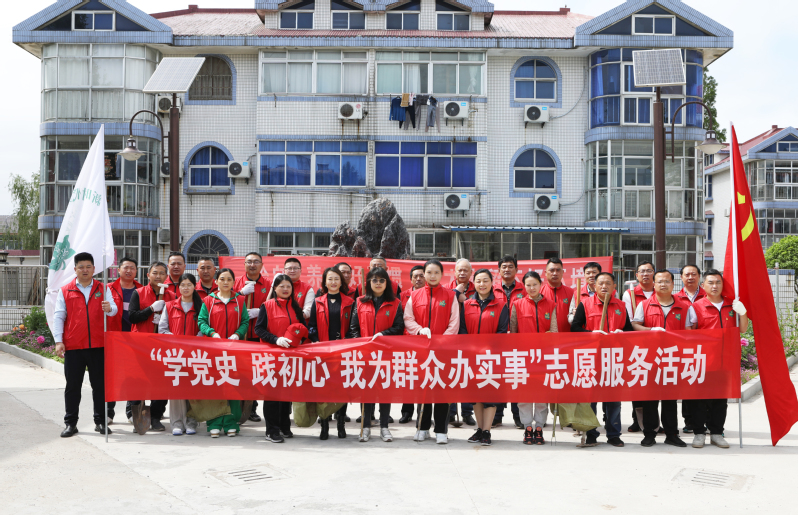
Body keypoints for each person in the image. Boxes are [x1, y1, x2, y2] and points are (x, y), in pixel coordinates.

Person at [53, 252, 118, 437]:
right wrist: (59, 341)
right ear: (75, 269)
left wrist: (109, 308)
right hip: (74, 346)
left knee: (100, 386)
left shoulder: (102, 288)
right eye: (81, 267)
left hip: (98, 345)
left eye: (88, 267)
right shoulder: (66, 290)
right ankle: (71, 423)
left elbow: (113, 309)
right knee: (73, 386)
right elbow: (59, 316)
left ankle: (101, 421)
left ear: (94, 269)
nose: (85, 270)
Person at [632, 269, 696, 448]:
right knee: (650, 399)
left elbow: (688, 332)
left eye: (667, 281)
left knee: (670, 399)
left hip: (673, 359)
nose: (663, 284)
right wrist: (650, 330)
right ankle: (649, 433)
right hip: (650, 358)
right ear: (654, 284)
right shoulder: (644, 305)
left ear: (673, 284)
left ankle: (672, 434)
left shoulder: (684, 306)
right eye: (659, 281)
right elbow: (635, 324)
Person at [570, 272, 633, 447]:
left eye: (608, 283)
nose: (604, 286)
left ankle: (613, 434)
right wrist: (591, 334)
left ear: (614, 287)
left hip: (614, 358)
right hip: (591, 358)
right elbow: (575, 328)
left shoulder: (621, 305)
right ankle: (591, 433)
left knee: (613, 399)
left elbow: (628, 329)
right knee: (591, 398)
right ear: (594, 286)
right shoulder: (585, 304)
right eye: (600, 283)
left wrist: (622, 333)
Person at [688, 269, 748, 449]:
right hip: (704, 360)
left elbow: (743, 329)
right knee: (700, 399)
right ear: (703, 285)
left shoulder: (732, 305)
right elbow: (689, 333)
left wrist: (743, 313)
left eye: (718, 282)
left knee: (721, 400)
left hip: (726, 359)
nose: (714, 286)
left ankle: (716, 433)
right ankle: (699, 433)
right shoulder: (696, 307)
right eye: (711, 282)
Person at [404, 259, 460, 444]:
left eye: (436, 272)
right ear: (424, 274)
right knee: (423, 389)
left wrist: (442, 341)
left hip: (443, 351)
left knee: (442, 390)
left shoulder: (450, 295)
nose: (432, 276)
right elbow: (408, 319)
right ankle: (422, 427)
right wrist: (420, 330)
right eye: (429, 272)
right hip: (421, 350)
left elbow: (454, 322)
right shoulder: (415, 295)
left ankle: (441, 430)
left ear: (442, 274)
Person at [347, 267, 405, 442]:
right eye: (374, 280)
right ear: (368, 283)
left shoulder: (395, 303)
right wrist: (362, 344)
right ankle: (365, 427)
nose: (378, 283)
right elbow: (353, 327)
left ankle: (384, 427)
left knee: (384, 391)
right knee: (366, 392)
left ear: (387, 283)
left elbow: (399, 328)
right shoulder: (360, 302)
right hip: (365, 355)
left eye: (381, 280)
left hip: (386, 355)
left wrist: (383, 335)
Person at [254, 274, 307, 443]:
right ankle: (271, 430)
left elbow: (302, 328)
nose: (285, 289)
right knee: (272, 395)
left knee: (286, 394)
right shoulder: (267, 306)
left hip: (290, 359)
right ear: (275, 288)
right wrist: (275, 339)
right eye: (281, 286)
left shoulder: (295, 307)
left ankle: (284, 426)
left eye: (288, 286)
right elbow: (258, 329)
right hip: (272, 357)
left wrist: (301, 339)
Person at [197, 268, 249, 438]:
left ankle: (231, 423)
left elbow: (245, 321)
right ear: (216, 281)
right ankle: (214, 422)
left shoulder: (240, 301)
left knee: (233, 385)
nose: (225, 282)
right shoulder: (208, 301)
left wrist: (238, 334)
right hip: (213, 350)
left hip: (234, 350)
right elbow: (201, 321)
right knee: (215, 386)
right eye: (222, 279)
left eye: (229, 279)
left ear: (234, 282)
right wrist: (212, 333)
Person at [460, 268, 509, 446]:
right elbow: (462, 330)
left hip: (492, 357)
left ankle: (487, 431)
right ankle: (480, 429)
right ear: (474, 283)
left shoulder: (501, 305)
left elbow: (502, 332)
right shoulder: (466, 305)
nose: (482, 284)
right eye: (479, 281)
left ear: (492, 282)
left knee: (489, 395)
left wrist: (488, 349)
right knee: (476, 395)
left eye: (485, 280)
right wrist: (472, 349)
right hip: (472, 357)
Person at [128, 261, 176, 431]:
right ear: (148, 275)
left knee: (161, 381)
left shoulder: (172, 296)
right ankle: (137, 416)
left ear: (167, 276)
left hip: (162, 346)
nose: (158, 276)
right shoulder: (138, 293)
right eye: (155, 273)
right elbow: (132, 317)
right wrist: (150, 310)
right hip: (141, 345)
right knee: (139, 381)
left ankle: (156, 417)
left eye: (162, 273)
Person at [308, 267, 355, 439]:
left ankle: (341, 423)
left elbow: (353, 327)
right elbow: (311, 326)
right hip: (323, 353)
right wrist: (315, 341)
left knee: (342, 389)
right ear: (325, 282)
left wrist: (346, 342)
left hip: (342, 352)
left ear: (341, 282)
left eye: (336, 279)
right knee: (323, 389)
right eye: (330, 279)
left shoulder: (350, 302)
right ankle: (325, 424)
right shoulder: (318, 301)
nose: (333, 282)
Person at [511, 271, 555, 446]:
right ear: (524, 286)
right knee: (525, 395)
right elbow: (513, 331)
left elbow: (554, 330)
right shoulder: (517, 304)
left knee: (542, 395)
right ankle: (527, 427)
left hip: (544, 357)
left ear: (541, 284)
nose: (531, 288)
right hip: (523, 357)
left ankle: (540, 428)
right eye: (528, 285)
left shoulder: (551, 304)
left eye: (534, 284)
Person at [158, 273, 203, 436]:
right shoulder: (170, 306)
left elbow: (203, 328)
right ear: (178, 287)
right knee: (176, 389)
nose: (185, 288)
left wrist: (193, 342)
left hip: (194, 354)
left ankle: (191, 422)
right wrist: (176, 340)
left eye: (189, 285)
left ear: (194, 287)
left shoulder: (201, 306)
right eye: (182, 285)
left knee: (192, 388)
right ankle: (176, 422)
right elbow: (162, 329)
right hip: (174, 354)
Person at [234, 252, 270, 423]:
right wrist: (240, 294)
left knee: (255, 373)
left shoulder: (268, 285)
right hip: (239, 335)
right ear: (244, 264)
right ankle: (237, 407)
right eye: (249, 262)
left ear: (262, 265)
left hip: (258, 336)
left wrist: (259, 311)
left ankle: (252, 408)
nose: (252, 265)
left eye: (256, 262)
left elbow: (273, 304)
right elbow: (225, 301)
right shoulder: (235, 283)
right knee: (238, 372)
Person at [106, 256, 141, 425]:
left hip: (136, 340)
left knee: (135, 377)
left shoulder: (142, 290)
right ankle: (108, 412)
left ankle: (132, 412)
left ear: (136, 271)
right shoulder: (108, 289)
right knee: (112, 377)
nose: (129, 270)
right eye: (125, 267)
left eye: (132, 268)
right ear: (118, 270)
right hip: (114, 338)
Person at [621, 260, 655, 433]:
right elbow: (629, 319)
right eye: (642, 271)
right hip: (638, 344)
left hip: (658, 344)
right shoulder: (630, 294)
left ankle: (655, 421)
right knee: (638, 380)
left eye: (649, 270)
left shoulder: (661, 291)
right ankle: (637, 419)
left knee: (656, 382)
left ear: (654, 273)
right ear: (636, 275)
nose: (645, 274)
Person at [492, 255, 524, 428]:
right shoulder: (493, 289)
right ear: (499, 270)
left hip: (518, 342)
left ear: (516, 270)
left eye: (510, 266)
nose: (507, 269)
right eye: (503, 267)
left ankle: (518, 416)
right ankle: (497, 415)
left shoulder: (524, 289)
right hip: (498, 340)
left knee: (515, 378)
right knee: (498, 378)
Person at [674, 264, 706, 433]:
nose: (690, 277)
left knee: (705, 385)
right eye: (687, 274)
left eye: (694, 274)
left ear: (699, 276)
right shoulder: (675, 298)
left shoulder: (708, 295)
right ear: (681, 278)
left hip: (706, 348)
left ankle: (707, 421)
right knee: (688, 383)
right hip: (684, 348)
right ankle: (689, 421)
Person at [447, 258, 476, 426]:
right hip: (451, 337)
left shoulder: (477, 288)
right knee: (451, 375)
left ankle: (467, 412)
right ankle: (451, 412)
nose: (463, 273)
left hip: (469, 337)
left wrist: (465, 300)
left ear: (471, 273)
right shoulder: (447, 288)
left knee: (467, 375)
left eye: (466, 270)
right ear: (455, 272)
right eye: (460, 270)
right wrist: (455, 293)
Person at [398, 265, 425, 424]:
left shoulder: (430, 295)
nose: (419, 279)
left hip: (425, 342)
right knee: (408, 378)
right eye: (416, 276)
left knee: (424, 378)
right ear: (411, 279)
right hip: (406, 342)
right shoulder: (402, 296)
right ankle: (407, 412)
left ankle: (423, 413)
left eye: (422, 276)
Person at [540, 257, 574, 333]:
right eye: (552, 270)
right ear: (545, 273)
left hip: (567, 336)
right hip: (545, 336)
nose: (555, 273)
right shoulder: (539, 292)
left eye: (558, 270)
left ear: (563, 272)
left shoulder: (572, 293)